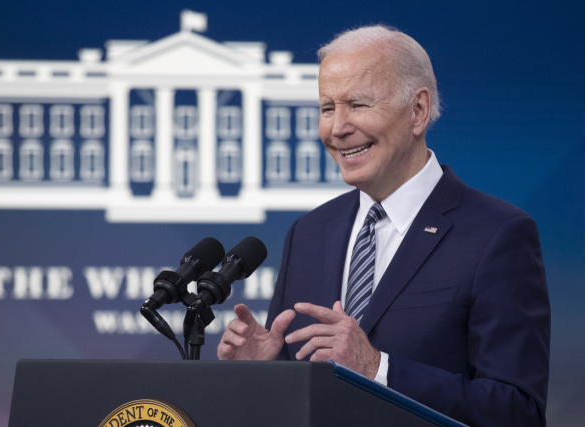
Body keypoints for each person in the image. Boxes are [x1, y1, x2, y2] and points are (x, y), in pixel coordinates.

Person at [217, 25, 550, 427]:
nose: (337, 127)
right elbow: (297, 400)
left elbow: (518, 413)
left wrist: (378, 368)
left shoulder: (498, 234)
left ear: (418, 111)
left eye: (357, 104)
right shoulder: (307, 233)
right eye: (327, 108)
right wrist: (260, 375)